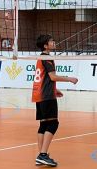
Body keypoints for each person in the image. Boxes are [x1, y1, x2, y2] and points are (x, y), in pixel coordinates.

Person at [32, 34, 79, 167]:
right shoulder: (47, 57)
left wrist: (54, 90)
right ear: (45, 45)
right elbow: (52, 77)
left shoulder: (42, 57)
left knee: (44, 125)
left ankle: (41, 154)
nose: (54, 42)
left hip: (39, 94)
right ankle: (42, 155)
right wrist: (69, 78)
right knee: (53, 124)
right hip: (45, 96)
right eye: (51, 41)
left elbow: (44, 77)